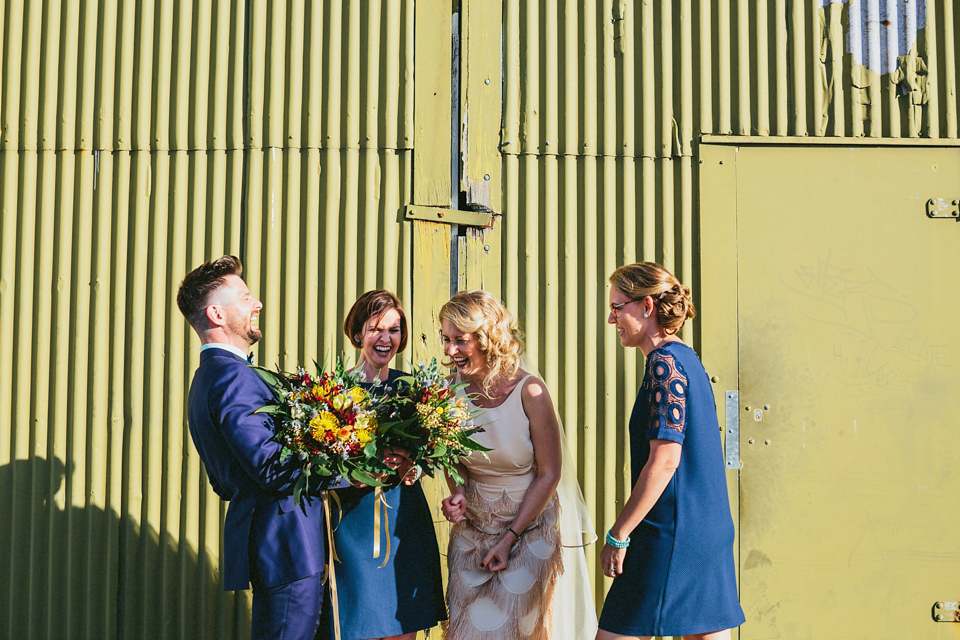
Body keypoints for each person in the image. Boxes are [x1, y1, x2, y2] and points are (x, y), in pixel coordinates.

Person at [177, 255, 342, 640]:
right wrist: (352, 468)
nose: (258, 304)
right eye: (245, 296)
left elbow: (226, 480)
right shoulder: (232, 378)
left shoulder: (213, 377)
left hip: (281, 544)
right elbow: (269, 467)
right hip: (287, 547)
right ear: (217, 313)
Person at [596, 263, 745, 640]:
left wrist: (619, 534)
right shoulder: (687, 359)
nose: (612, 319)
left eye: (618, 308)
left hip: (670, 533)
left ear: (646, 306)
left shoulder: (664, 364)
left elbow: (664, 461)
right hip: (705, 529)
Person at [439, 290, 596, 640]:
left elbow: (549, 473)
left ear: (487, 338)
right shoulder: (447, 393)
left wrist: (510, 538)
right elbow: (450, 461)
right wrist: (458, 492)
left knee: (505, 627)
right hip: (474, 525)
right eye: (445, 340)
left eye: (459, 341)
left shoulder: (530, 391)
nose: (450, 351)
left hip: (530, 526)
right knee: (466, 628)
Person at [322, 290, 446, 640]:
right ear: (358, 332)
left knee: (401, 624)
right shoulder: (334, 391)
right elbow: (317, 462)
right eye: (376, 328)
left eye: (394, 330)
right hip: (352, 526)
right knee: (356, 624)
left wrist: (413, 468)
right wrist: (352, 476)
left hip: (403, 521)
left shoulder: (413, 391)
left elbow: (428, 457)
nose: (385, 338)